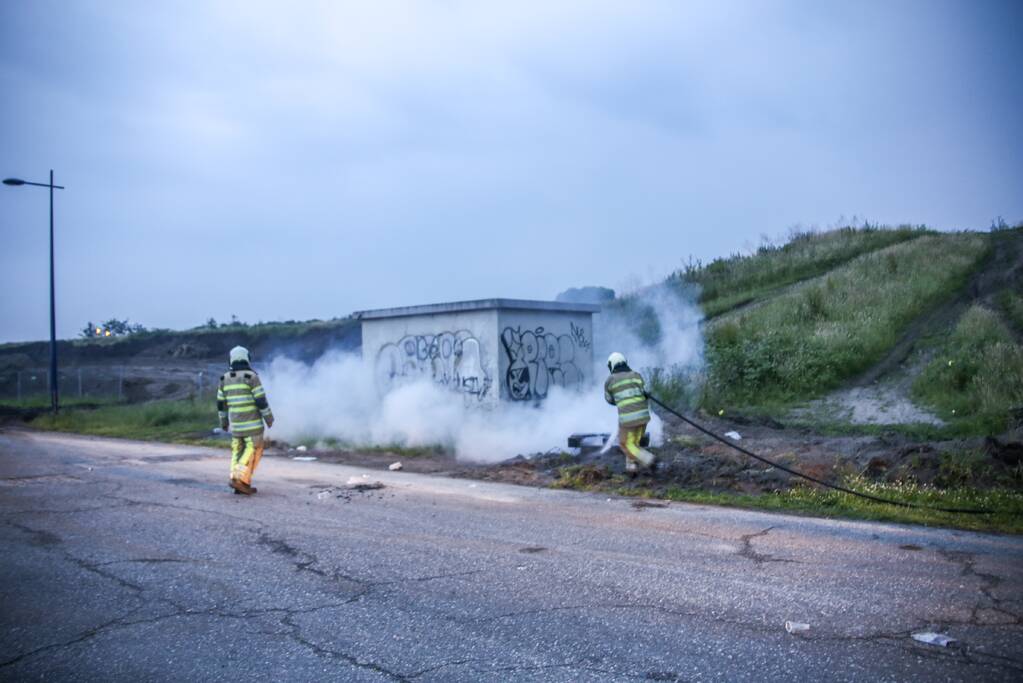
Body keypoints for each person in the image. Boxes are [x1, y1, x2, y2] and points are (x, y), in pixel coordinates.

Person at [217, 346, 274, 495]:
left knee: (237, 452)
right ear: (247, 358)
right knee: (253, 451)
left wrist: (223, 422)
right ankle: (239, 479)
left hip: (236, 427)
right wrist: (269, 418)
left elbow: (221, 405)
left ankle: (241, 482)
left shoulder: (224, 378)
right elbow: (261, 400)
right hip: (253, 426)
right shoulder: (251, 377)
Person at [604, 352, 656, 474]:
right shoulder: (636, 375)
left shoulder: (610, 380)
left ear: (611, 365)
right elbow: (647, 391)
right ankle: (631, 469)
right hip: (643, 417)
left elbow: (609, 400)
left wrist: (620, 399)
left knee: (625, 444)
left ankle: (649, 460)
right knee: (634, 443)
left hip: (628, 420)